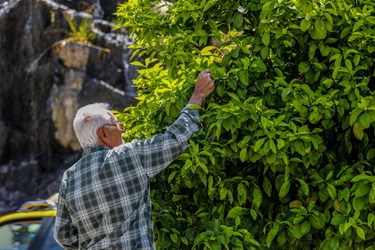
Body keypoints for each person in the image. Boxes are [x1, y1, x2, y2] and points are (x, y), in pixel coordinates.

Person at [54, 69, 215, 249]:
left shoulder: (69, 178)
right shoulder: (127, 156)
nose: (122, 129)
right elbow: (173, 140)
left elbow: (64, 236)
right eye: (116, 124)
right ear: (104, 134)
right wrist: (197, 96)